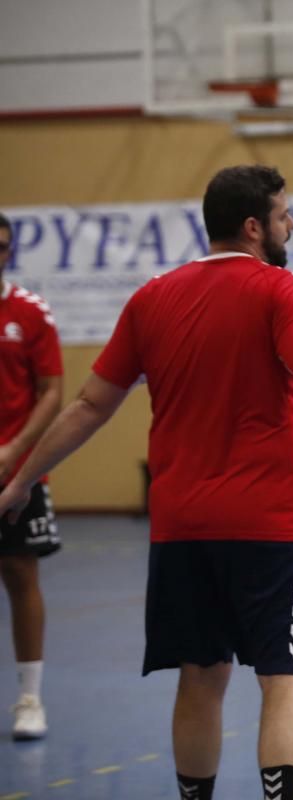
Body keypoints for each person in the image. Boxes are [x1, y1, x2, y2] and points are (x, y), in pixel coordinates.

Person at [0, 166, 293, 800]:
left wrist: (22, 482)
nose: (290, 225)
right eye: (282, 215)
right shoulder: (280, 290)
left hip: (179, 528)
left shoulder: (152, 298)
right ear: (254, 227)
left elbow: (87, 406)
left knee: (199, 676)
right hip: (266, 527)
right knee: (286, 676)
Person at [0, 212, 64, 741]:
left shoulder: (30, 313)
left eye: (2, 247)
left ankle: (29, 698)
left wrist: (17, 450)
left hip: (14, 473)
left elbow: (51, 390)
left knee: (22, 577)